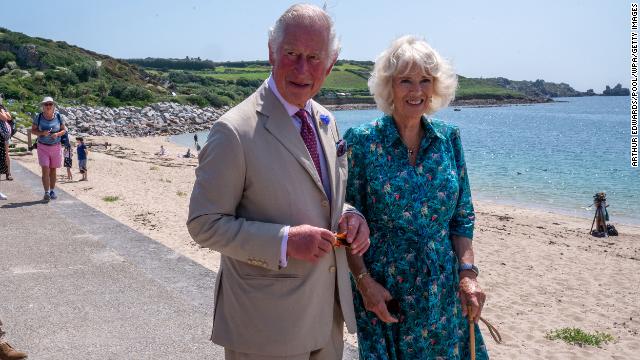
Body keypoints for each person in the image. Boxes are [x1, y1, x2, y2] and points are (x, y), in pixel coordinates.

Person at [187, 4, 371, 359]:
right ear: (271, 51)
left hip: (325, 318)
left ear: (331, 65)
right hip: (264, 328)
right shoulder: (233, 130)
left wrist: (350, 214)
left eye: (315, 57)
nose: (303, 68)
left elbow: (324, 197)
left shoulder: (326, 121)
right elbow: (203, 224)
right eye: (291, 54)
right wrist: (285, 242)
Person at [343, 35, 489, 359]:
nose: (417, 90)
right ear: (388, 86)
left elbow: (462, 215)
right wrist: (364, 283)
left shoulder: (448, 138)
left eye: (425, 80)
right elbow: (346, 222)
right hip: (386, 295)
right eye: (405, 80)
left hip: (444, 294)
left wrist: (468, 275)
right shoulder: (362, 142)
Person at [31, 96, 67, 201]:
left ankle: (52, 191)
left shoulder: (59, 116)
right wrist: (42, 133)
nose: (48, 106)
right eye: (46, 104)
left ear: (53, 106)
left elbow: (63, 130)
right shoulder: (39, 117)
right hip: (43, 147)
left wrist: (57, 134)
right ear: (43, 106)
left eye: (50, 104)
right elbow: (33, 130)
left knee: (53, 170)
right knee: (45, 169)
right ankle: (46, 192)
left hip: (56, 147)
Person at [0, 96, 13, 181]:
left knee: (6, 154)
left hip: (3, 134)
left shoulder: (2, 107)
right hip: (4, 134)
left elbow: (7, 117)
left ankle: (8, 173)